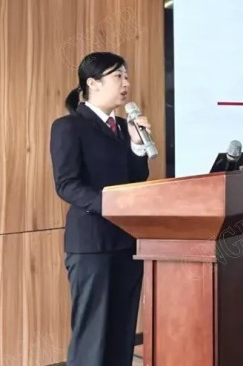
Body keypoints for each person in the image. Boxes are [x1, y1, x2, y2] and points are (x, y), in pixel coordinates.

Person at [49, 51, 154, 366]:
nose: (126, 83)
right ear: (93, 83)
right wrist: (111, 204)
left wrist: (137, 144)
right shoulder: (69, 126)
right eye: (118, 76)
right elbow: (66, 184)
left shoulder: (122, 127)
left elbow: (136, 178)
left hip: (126, 242)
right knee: (93, 335)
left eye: (126, 76)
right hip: (92, 245)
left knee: (121, 332)